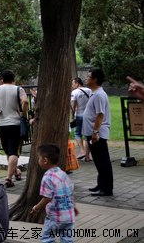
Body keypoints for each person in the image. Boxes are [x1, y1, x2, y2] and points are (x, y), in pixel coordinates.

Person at [29, 143, 78, 243]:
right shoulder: (63, 174)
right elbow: (70, 192)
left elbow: (47, 197)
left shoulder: (47, 177)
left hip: (55, 216)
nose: (38, 160)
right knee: (67, 239)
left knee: (47, 238)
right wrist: (74, 207)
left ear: (45, 160)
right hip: (68, 215)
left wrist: (36, 208)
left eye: (39, 158)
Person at [82, 68, 113, 197]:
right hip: (93, 133)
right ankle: (101, 185)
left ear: (94, 80)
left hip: (97, 134)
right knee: (98, 161)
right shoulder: (94, 93)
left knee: (102, 161)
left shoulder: (99, 95)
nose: (86, 78)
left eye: (88, 77)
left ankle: (106, 189)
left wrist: (95, 132)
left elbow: (100, 115)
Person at [69, 77, 91, 161]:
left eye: (73, 83)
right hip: (89, 116)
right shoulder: (89, 90)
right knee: (87, 135)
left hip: (79, 116)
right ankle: (87, 156)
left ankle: (82, 151)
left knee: (78, 133)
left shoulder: (74, 92)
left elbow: (73, 106)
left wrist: (72, 116)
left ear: (77, 83)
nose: (72, 85)